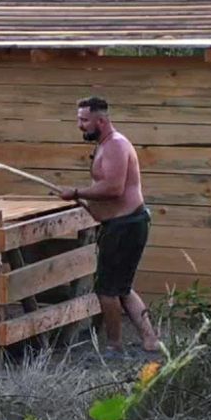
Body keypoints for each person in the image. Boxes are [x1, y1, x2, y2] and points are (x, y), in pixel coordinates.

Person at [59, 97, 159, 354]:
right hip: (125, 224)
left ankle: (114, 347)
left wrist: (77, 192)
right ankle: (150, 339)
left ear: (100, 121)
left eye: (84, 120)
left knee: (107, 290)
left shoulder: (115, 145)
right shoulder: (106, 144)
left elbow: (114, 188)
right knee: (122, 288)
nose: (80, 125)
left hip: (125, 225)